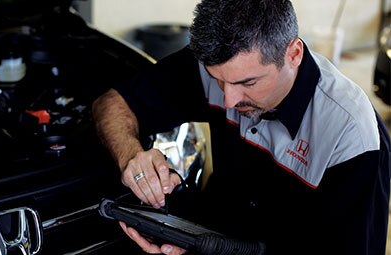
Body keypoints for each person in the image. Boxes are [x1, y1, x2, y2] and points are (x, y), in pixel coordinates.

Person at [92, 0, 391, 254]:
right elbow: (111, 104)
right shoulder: (219, 64)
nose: (229, 99)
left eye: (248, 83)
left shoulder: (352, 136)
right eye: (218, 80)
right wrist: (131, 154)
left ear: (294, 54)